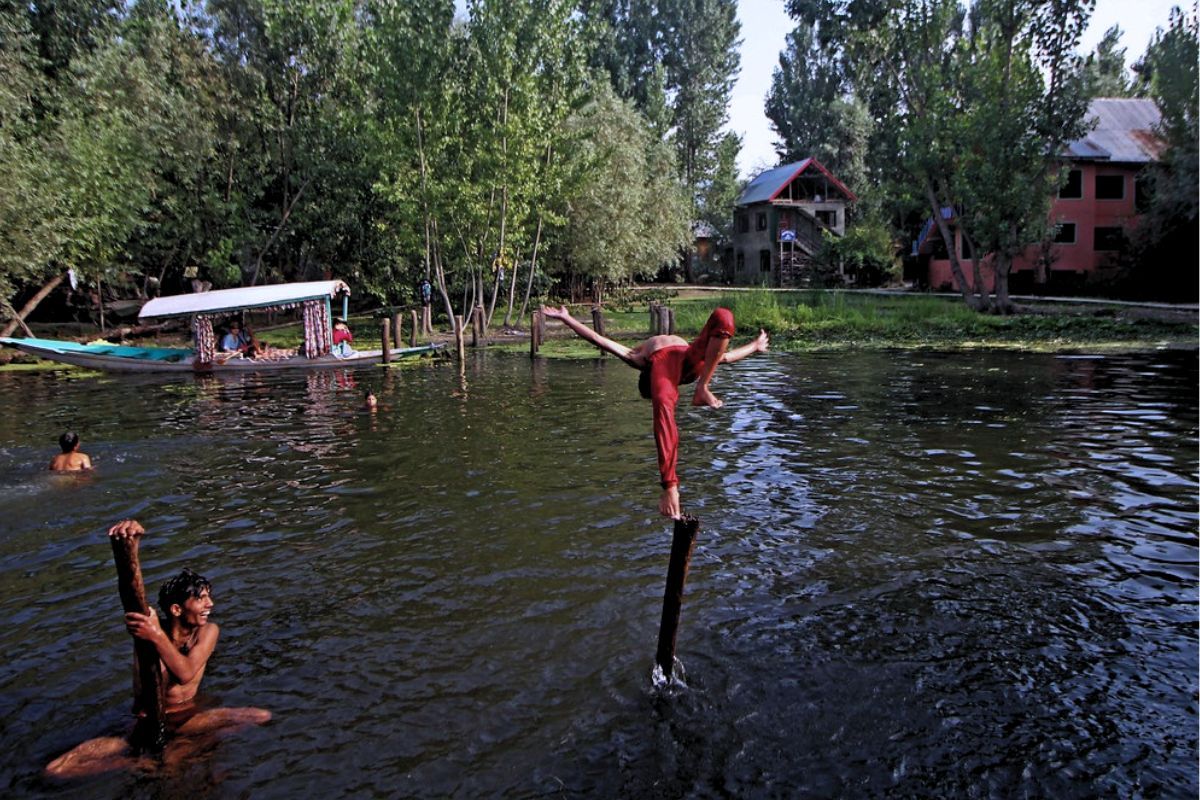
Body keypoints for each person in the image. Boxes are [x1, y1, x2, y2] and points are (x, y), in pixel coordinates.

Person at [45, 520, 270, 779]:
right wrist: (129, 548)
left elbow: (185, 673)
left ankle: (191, 746)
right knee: (56, 769)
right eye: (201, 598)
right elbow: (131, 594)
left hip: (187, 719)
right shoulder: (148, 630)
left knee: (259, 716)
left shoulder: (206, 632)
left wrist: (155, 635)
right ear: (176, 609)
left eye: (209, 596)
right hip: (146, 723)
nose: (210, 604)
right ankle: (135, 762)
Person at [540, 305, 769, 519]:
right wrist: (754, 346)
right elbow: (726, 356)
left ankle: (702, 388)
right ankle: (670, 486)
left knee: (723, 317)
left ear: (648, 379)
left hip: (688, 360)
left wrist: (567, 318)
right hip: (675, 365)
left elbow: (599, 340)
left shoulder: (638, 358)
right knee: (664, 408)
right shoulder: (645, 361)